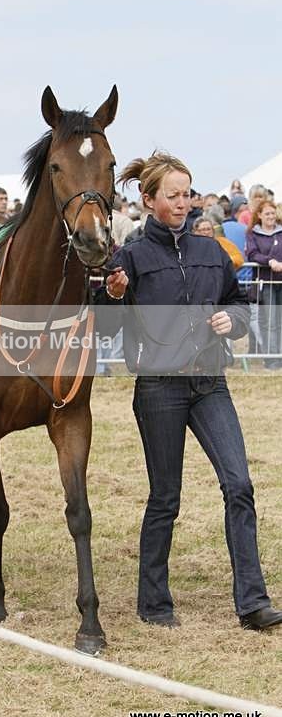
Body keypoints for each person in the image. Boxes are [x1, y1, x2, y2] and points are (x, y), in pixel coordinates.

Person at [97, 151, 282, 632]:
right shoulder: (131, 256)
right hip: (158, 387)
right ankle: (154, 603)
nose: (184, 202)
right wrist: (113, 294)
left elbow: (238, 306)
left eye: (188, 193)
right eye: (174, 195)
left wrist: (233, 320)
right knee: (166, 497)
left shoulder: (211, 250)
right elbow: (102, 327)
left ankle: (253, 602)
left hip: (210, 383)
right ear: (149, 198)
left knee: (239, 485)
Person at [245, 199, 282, 369]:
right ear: (259, 215)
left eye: (273, 213)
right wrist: (270, 261)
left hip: (280, 280)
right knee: (269, 321)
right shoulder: (253, 234)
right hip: (265, 281)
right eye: (267, 213)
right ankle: (272, 359)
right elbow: (252, 254)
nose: (270, 217)